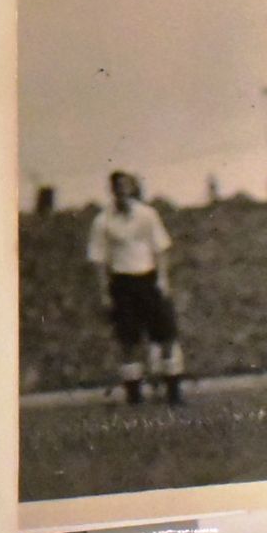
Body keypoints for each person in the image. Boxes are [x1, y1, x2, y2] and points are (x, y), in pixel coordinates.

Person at [88, 171, 184, 405]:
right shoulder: (103, 221)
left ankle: (173, 393)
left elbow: (161, 248)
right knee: (128, 340)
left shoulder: (147, 215)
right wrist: (104, 292)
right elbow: (98, 259)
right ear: (111, 190)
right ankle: (134, 395)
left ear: (132, 188)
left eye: (126, 187)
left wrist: (162, 280)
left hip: (149, 279)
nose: (122, 191)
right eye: (117, 187)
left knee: (166, 335)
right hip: (122, 282)